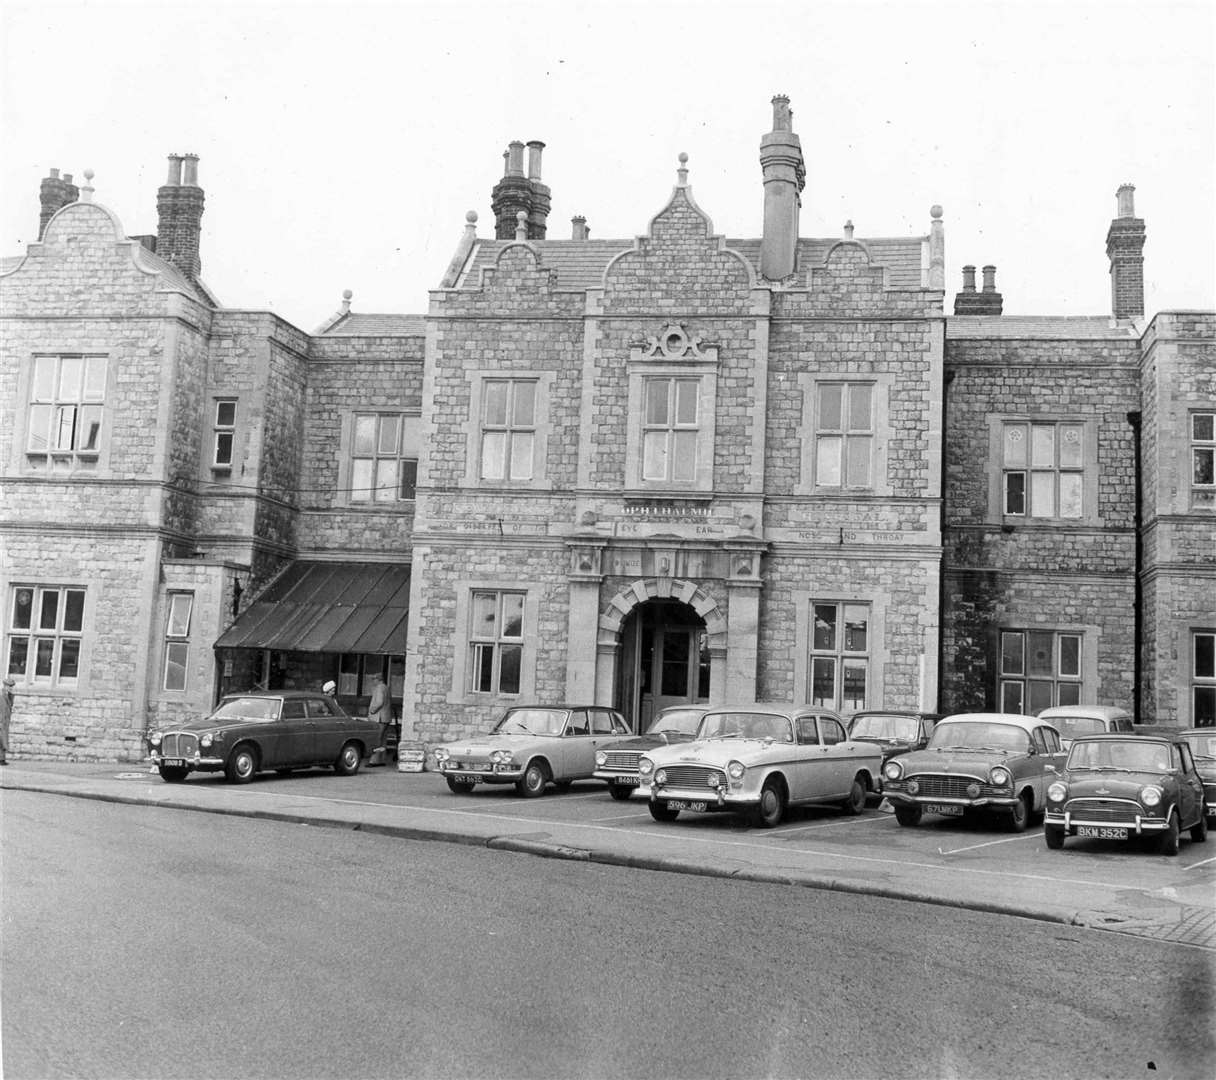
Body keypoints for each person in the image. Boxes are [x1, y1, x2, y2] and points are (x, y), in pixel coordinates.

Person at [367, 673, 392, 761]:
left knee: (376, 739)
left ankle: (374, 760)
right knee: (383, 741)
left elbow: (379, 702)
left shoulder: (379, 688)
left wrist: (372, 710)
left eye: (374, 679)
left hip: (379, 717)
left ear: (378, 679)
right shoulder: (386, 687)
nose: (373, 681)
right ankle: (382, 759)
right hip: (386, 717)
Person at [0, 676, 14, 765]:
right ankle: (1, 759)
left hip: (5, 722)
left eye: (11, 686)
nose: (10, 688)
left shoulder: (8, 696)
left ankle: (2, 759)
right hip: (1, 721)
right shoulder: (1, 696)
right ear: (4, 686)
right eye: (9, 686)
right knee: (1, 740)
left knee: (3, 740)